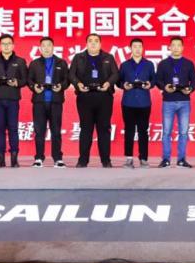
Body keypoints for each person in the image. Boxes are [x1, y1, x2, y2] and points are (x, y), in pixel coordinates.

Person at [68, 33, 119, 168]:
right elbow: (71, 74)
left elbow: (115, 74)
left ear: (100, 44)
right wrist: (78, 84)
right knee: (86, 129)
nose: (93, 43)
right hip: (85, 96)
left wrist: (108, 83)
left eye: (96, 41)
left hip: (104, 97)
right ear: (86, 44)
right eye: (90, 41)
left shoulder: (108, 57)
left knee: (104, 129)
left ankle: (106, 160)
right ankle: (83, 160)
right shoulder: (79, 57)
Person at [155, 36, 195, 168]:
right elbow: (158, 80)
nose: (176, 48)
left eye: (178, 45)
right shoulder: (163, 63)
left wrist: (190, 89)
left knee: (183, 132)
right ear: (170, 47)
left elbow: (194, 81)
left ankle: (181, 159)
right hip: (168, 101)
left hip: (184, 101)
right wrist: (165, 87)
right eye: (173, 45)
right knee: (166, 132)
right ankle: (166, 159)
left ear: (182, 47)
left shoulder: (189, 63)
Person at [27, 36, 69, 168]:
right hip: (39, 101)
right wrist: (34, 87)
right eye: (43, 46)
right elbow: (29, 80)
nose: (46, 48)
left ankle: (58, 158)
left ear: (53, 47)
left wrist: (61, 86)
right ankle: (39, 157)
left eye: (49, 45)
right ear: (40, 48)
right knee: (39, 131)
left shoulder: (61, 63)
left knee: (56, 130)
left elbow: (67, 80)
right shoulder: (34, 63)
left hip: (55, 101)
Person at [0, 34, 28, 168]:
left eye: (9, 43)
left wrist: (17, 82)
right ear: (0, 46)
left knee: (13, 128)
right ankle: (1, 159)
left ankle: (14, 159)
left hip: (12, 98)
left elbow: (25, 79)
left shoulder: (20, 61)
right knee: (0, 129)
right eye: (3, 44)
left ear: (13, 45)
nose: (6, 46)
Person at [118, 38, 156, 169]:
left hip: (144, 102)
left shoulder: (149, 64)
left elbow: (154, 80)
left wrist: (150, 84)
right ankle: (129, 158)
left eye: (140, 46)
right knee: (129, 130)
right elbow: (118, 81)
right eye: (135, 46)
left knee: (143, 131)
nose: (137, 49)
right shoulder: (124, 65)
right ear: (130, 49)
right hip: (128, 102)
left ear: (143, 48)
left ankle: (143, 158)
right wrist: (124, 85)